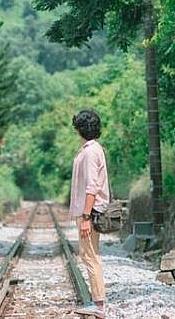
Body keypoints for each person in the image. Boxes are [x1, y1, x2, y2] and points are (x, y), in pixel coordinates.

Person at [70, 109, 109, 319]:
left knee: (90, 255)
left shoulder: (90, 151)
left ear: (81, 128)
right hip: (89, 211)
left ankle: (98, 304)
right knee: (90, 255)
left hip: (90, 212)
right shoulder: (91, 149)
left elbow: (91, 187)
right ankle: (97, 302)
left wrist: (85, 217)